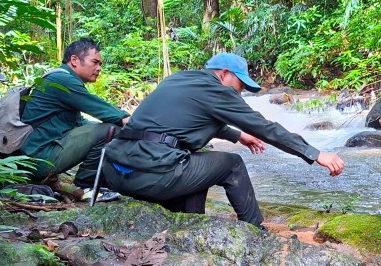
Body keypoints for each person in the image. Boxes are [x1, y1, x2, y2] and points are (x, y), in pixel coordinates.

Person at [101, 53, 345, 227]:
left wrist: (239, 135)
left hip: (117, 172)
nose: (238, 93)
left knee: (197, 161)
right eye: (239, 85)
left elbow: (186, 122)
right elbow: (265, 127)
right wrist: (314, 154)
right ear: (224, 74)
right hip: (152, 176)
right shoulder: (217, 90)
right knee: (231, 164)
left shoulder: (178, 79)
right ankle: (256, 230)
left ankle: (192, 225)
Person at [20, 38, 129, 199]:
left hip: (37, 154)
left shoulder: (59, 77)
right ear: (74, 60)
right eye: (95, 62)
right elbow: (101, 109)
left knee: (105, 129)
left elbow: (78, 123)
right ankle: (87, 185)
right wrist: (130, 121)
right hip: (40, 157)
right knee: (111, 130)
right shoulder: (62, 80)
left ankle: (93, 182)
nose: (99, 68)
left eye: (100, 65)